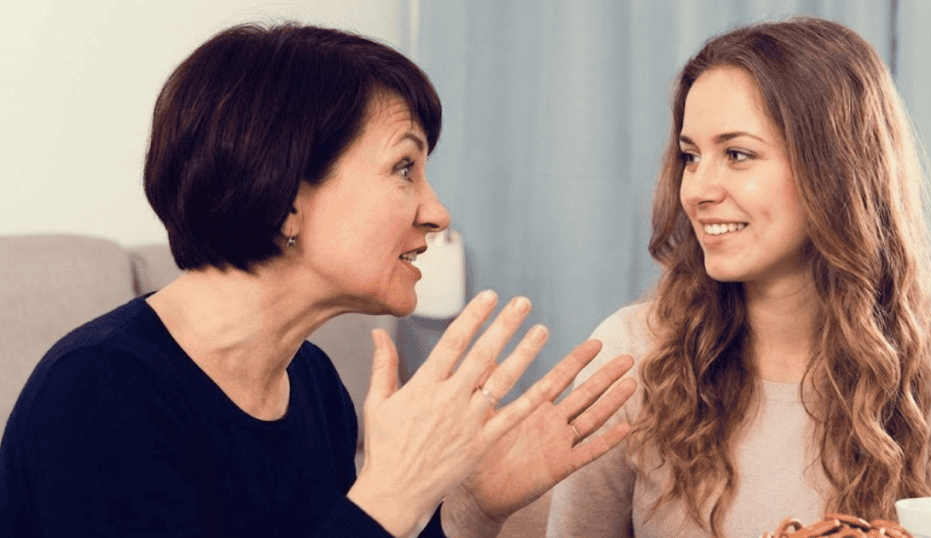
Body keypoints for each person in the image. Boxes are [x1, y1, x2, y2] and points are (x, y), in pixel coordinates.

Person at [0, 23, 638, 537]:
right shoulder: (97, 395)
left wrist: (472, 507)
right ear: (284, 199)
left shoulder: (309, 382)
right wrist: (389, 495)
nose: (437, 211)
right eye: (403, 168)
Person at [547, 16, 931, 538]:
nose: (696, 189)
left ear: (836, 168)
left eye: (737, 154)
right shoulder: (627, 359)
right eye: (691, 156)